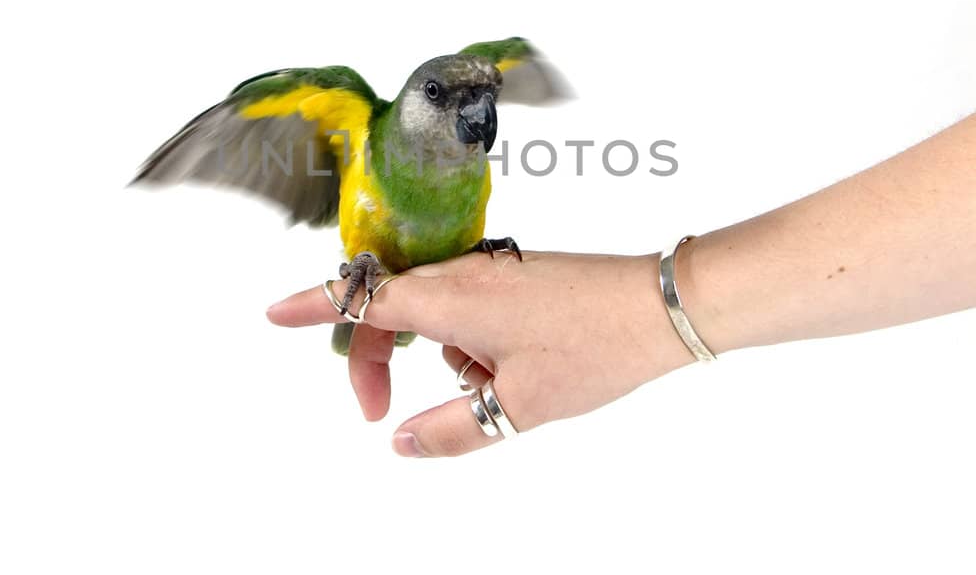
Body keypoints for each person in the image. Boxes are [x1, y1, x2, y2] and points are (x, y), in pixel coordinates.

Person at [267, 112, 976, 458]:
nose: (478, 109)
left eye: (487, 95)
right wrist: (657, 305)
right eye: (446, 95)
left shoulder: (467, 154)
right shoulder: (360, 117)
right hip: (372, 261)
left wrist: (654, 310)